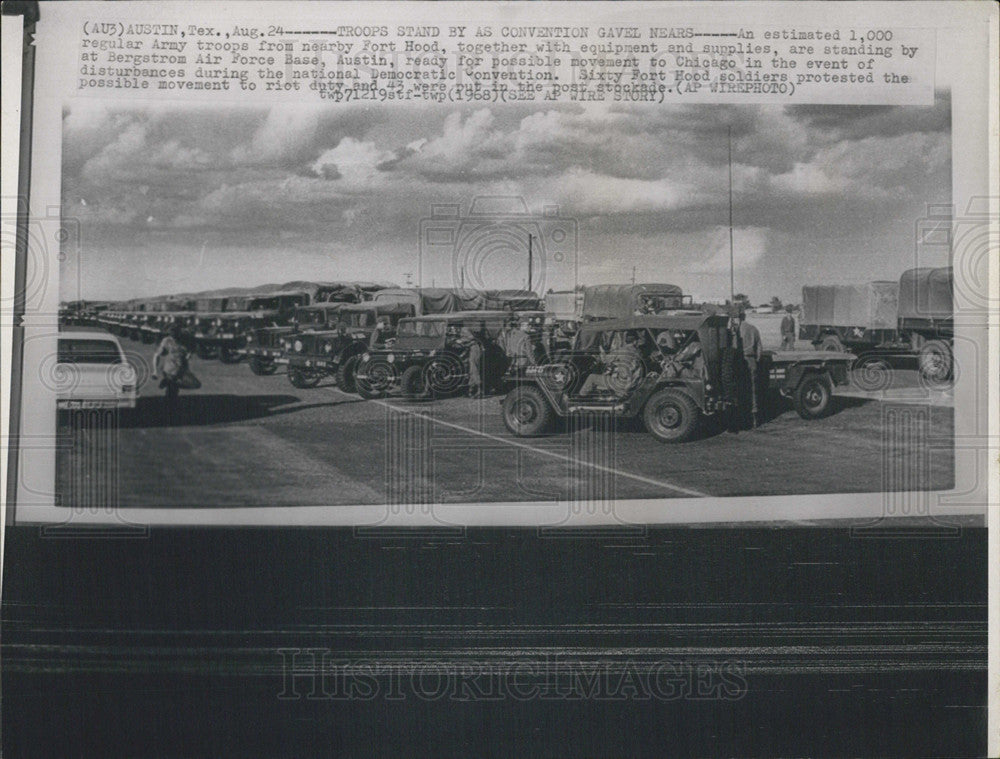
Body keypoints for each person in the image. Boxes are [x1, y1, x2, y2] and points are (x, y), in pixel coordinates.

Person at [579, 331, 644, 397]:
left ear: (625, 340)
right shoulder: (639, 352)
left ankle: (580, 399)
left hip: (620, 383)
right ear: (635, 341)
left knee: (591, 378)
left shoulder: (621, 350)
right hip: (631, 383)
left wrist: (601, 350)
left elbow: (604, 360)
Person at [151, 323, 200, 407]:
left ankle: (168, 385)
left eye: (176, 334)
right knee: (172, 391)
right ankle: (170, 404)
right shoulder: (167, 341)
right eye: (172, 335)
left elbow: (193, 347)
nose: (174, 337)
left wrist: (189, 354)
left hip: (182, 368)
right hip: (170, 369)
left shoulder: (185, 339)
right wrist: (155, 371)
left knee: (196, 384)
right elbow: (156, 355)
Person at [736, 311, 763, 427]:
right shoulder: (753, 329)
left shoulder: (736, 331)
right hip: (751, 361)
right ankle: (754, 419)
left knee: (741, 389)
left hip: (740, 361)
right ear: (744, 316)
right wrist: (756, 360)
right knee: (753, 389)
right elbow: (759, 349)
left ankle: (742, 418)